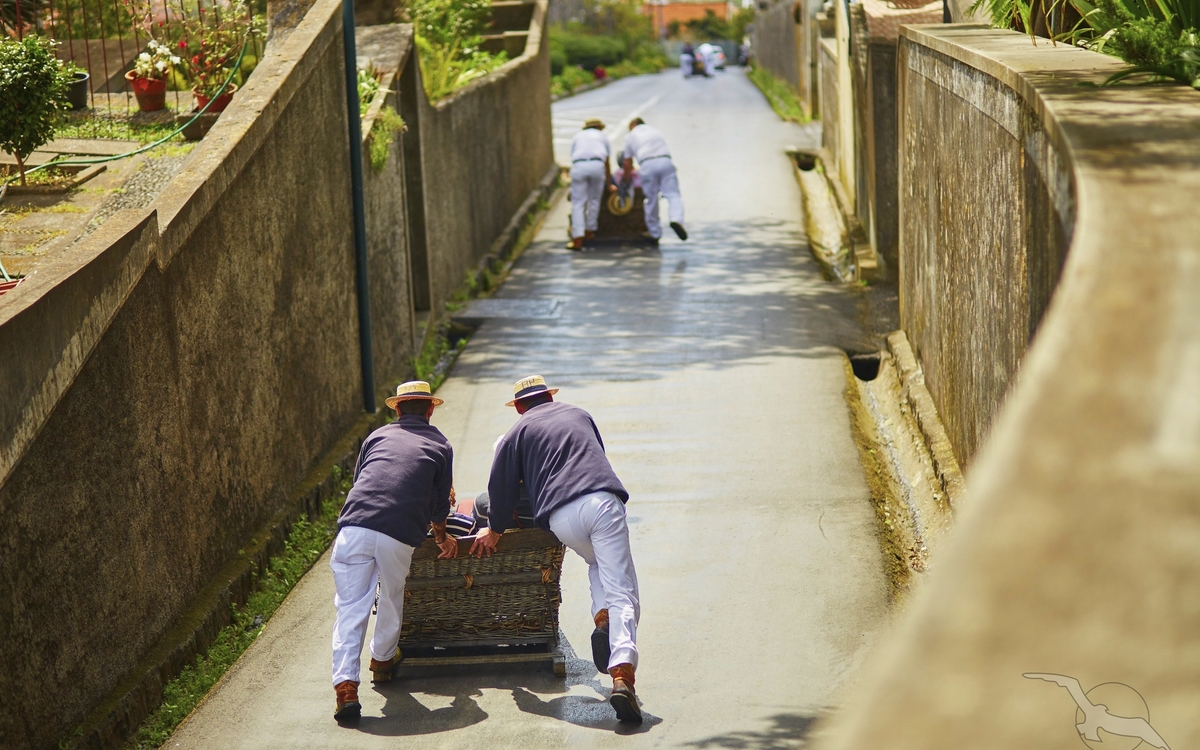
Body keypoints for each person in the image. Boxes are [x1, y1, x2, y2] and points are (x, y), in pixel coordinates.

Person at [470, 376, 644, 724]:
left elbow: (499, 489)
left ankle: (603, 618)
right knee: (622, 588)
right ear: (550, 397)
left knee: (596, 563)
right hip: (600, 502)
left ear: (519, 408)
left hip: (560, 518)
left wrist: (496, 528)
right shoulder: (580, 414)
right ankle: (622, 672)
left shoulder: (514, 434)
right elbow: (597, 458)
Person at [329, 381, 457, 721]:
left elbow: (362, 479)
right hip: (397, 534)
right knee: (391, 594)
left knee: (350, 608)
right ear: (430, 410)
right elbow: (440, 504)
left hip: (354, 527)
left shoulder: (376, 436)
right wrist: (442, 535)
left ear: (397, 409)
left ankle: (345, 688)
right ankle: (382, 658)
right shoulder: (441, 445)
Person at [623, 118, 687, 245]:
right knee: (673, 195)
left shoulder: (630, 136)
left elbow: (627, 162)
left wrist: (625, 181)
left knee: (651, 199)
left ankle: (654, 232)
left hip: (647, 164)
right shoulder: (655, 131)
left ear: (633, 125)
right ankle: (677, 219)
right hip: (665, 161)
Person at [568, 118, 613, 250]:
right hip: (597, 165)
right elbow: (607, 162)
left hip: (579, 165)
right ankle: (589, 231)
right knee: (594, 199)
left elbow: (573, 157)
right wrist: (609, 183)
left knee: (578, 203)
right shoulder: (602, 136)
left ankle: (577, 239)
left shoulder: (578, 136)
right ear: (599, 127)